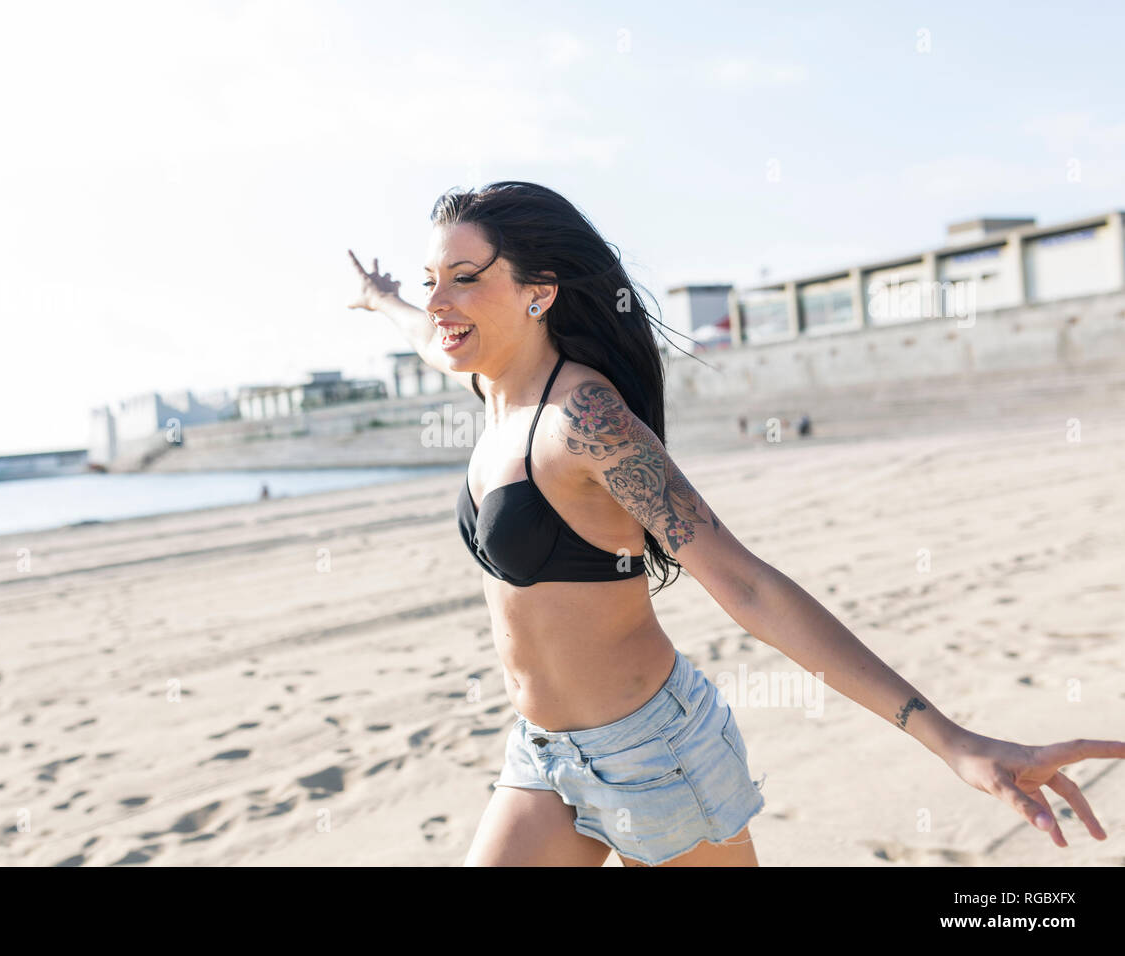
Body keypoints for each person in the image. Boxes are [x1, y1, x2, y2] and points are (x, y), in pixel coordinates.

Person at [346, 181, 1123, 867]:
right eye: (431, 280)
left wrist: (953, 740)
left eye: (464, 279)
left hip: (654, 756)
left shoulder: (585, 419)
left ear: (537, 292)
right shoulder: (488, 383)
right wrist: (383, 297)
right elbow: (425, 333)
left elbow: (746, 585)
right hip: (544, 755)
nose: (440, 301)